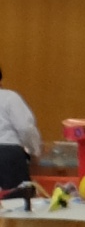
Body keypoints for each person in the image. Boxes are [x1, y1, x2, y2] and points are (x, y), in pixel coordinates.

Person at [0, 65, 41, 196]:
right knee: (15, 202)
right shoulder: (9, 97)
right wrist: (34, 150)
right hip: (7, 155)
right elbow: (25, 128)